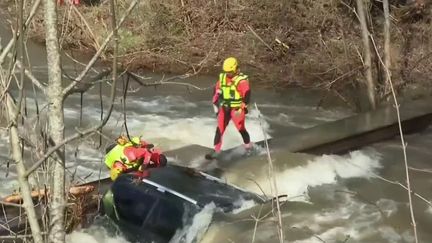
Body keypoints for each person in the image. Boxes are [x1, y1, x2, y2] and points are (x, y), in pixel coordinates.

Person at [207, 57, 252, 159]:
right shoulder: (223, 78)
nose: (229, 74)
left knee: (241, 129)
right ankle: (215, 151)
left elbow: (247, 95)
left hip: (237, 109)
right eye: (227, 72)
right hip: (225, 107)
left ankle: (248, 147)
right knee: (219, 129)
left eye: (231, 72)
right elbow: (216, 90)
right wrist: (215, 102)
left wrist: (242, 107)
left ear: (236, 69)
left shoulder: (241, 81)